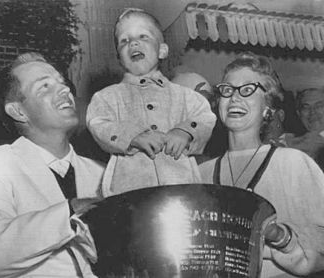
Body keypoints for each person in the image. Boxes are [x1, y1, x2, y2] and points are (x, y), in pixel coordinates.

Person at [0, 52, 105, 278]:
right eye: (45, 86)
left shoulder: (104, 173)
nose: (65, 90)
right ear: (18, 111)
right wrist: (72, 210)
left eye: (62, 82)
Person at [198, 52, 324, 277]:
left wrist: (287, 246)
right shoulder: (199, 174)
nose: (235, 98)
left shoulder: (293, 164)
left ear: (268, 107)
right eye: (228, 90)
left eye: (247, 90)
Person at [86, 8, 216, 197]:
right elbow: (98, 122)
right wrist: (131, 136)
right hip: (129, 189)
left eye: (143, 36)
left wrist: (185, 131)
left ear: (162, 50)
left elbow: (204, 116)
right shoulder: (106, 97)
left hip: (181, 187)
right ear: (119, 59)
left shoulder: (185, 96)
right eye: (124, 41)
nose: (133, 43)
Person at [282, 87, 324, 170]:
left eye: (319, 106)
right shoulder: (290, 143)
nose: (312, 112)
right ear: (298, 113)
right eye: (306, 107)